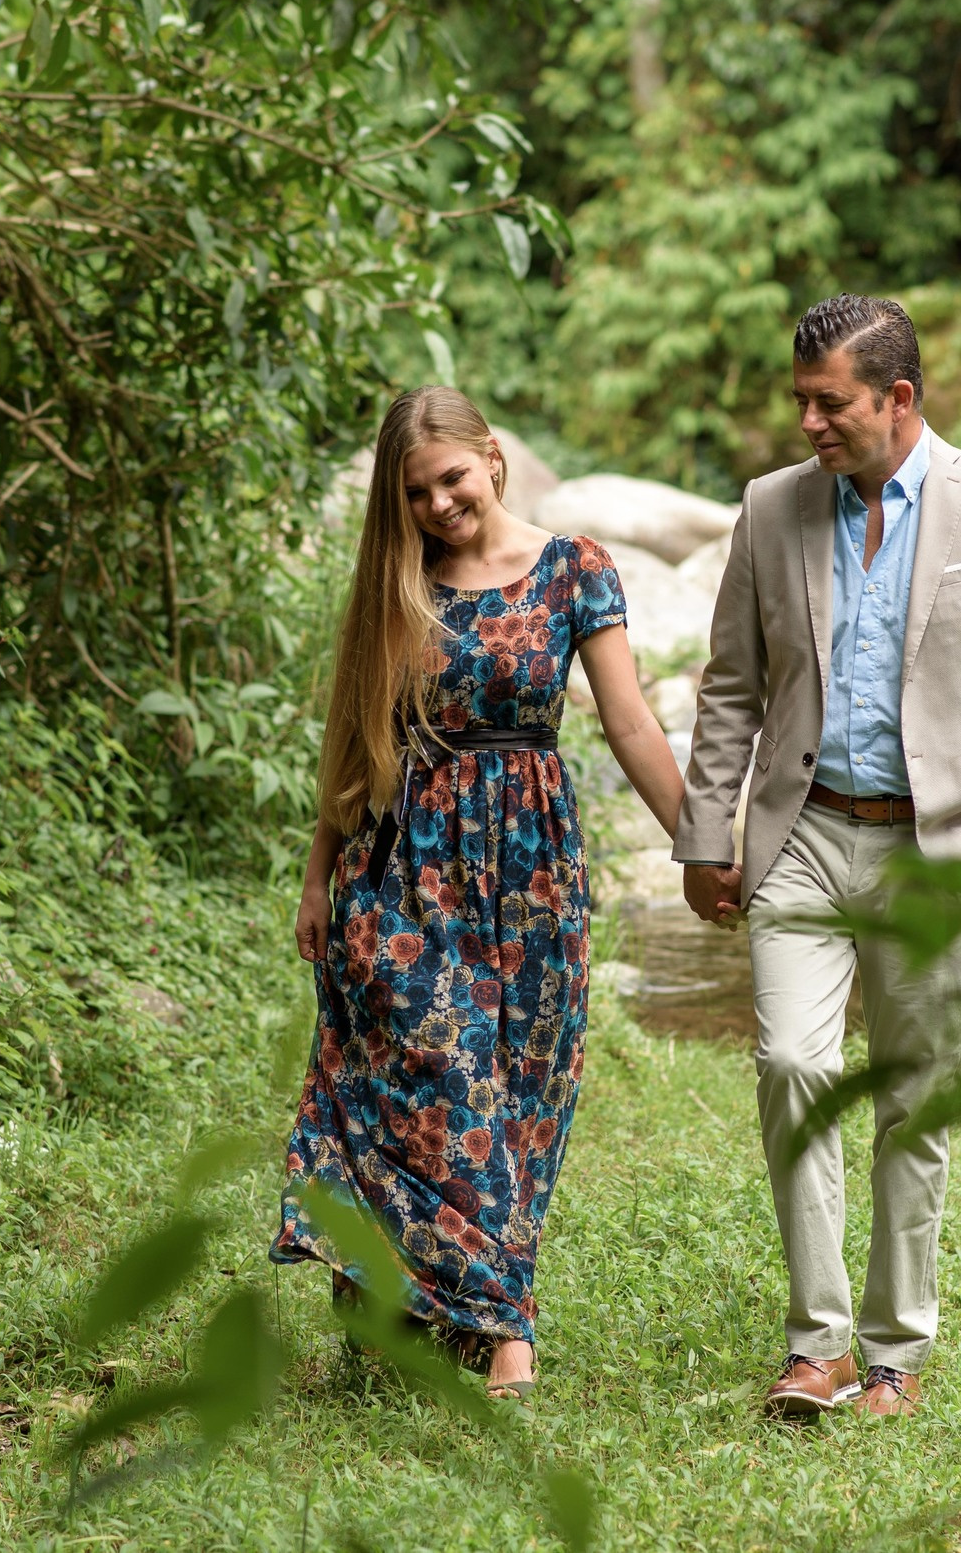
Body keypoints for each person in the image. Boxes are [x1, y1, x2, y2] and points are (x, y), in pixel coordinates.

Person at [674, 295, 961, 1420]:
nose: (809, 423)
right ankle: (817, 1345)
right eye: (801, 402)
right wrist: (706, 832)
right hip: (801, 834)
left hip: (934, 850)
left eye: (830, 403)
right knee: (792, 1063)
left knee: (914, 1097)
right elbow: (730, 689)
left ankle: (894, 1355)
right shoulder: (769, 508)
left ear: (899, 397)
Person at [272, 386, 686, 1400]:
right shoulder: (397, 583)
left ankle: (447, 1305)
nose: (438, 504)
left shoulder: (574, 567)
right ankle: (505, 1329)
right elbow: (352, 738)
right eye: (415, 492)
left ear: (492, 457)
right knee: (429, 1074)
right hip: (405, 868)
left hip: (531, 870)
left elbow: (630, 721)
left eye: (451, 477)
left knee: (520, 1089)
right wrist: (317, 876)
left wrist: (702, 842)